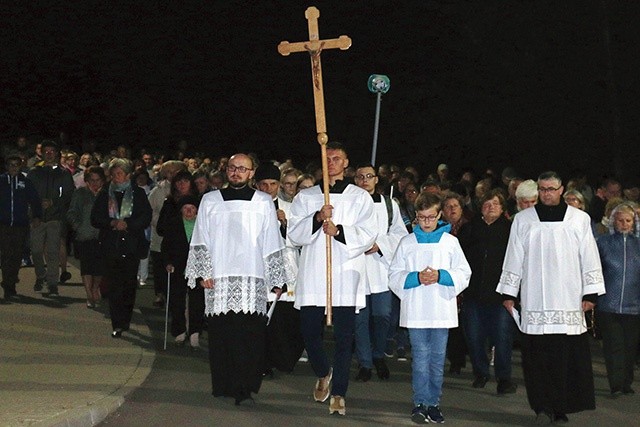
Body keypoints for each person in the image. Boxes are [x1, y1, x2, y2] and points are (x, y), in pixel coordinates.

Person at [497, 171, 605, 424]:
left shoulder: (579, 219)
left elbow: (589, 256)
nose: (546, 193)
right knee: (537, 359)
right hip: (535, 299)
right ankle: (541, 407)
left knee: (564, 359)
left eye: (551, 189)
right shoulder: (523, 220)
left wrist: (590, 293)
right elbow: (514, 256)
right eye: (542, 189)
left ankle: (561, 407)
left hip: (568, 299)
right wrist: (509, 292)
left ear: (561, 190)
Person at [184, 153, 288, 406]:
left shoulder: (263, 201)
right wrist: (203, 272)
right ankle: (223, 384)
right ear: (226, 171)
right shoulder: (210, 200)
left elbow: (272, 240)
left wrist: (276, 277)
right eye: (232, 168)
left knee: (250, 337)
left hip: (253, 277)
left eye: (242, 168)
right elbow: (201, 237)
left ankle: (245, 387)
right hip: (219, 277)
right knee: (221, 336)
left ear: (251, 173)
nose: (236, 172)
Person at [288, 142, 377, 415]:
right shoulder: (306, 197)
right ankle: (323, 371)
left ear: (346, 163)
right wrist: (316, 218)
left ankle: (339, 391)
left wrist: (339, 231)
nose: (331, 163)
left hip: (345, 274)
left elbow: (368, 233)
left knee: (343, 336)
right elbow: (294, 234)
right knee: (309, 333)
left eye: (337, 158)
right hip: (315, 273)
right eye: (327, 158)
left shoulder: (359, 197)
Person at [389, 193, 471, 424]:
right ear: (416, 216)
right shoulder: (407, 242)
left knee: (436, 359)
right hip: (416, 309)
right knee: (421, 358)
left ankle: (434, 402)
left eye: (431, 217)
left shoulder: (450, 242)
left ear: (439, 215)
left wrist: (441, 276)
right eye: (422, 217)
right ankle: (419, 403)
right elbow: (394, 274)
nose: (426, 222)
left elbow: (464, 273)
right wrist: (415, 277)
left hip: (440, 309)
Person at [353, 164, 407, 382]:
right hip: (356, 267)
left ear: (376, 179)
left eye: (369, 176)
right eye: (360, 176)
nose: (365, 180)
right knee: (360, 319)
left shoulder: (388, 204)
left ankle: (378, 354)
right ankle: (365, 362)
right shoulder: (349, 203)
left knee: (383, 315)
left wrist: (379, 245)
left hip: (380, 267)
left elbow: (400, 234)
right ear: (355, 180)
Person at [458, 189, 516, 394]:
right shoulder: (470, 229)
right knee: (474, 337)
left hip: (500, 295)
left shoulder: (511, 230)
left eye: (495, 204)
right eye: (486, 204)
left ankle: (504, 378)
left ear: (502, 208)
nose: (490, 207)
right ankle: (481, 372)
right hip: (473, 294)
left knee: (502, 338)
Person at [91, 158, 152, 338]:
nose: (116, 177)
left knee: (128, 286)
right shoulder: (105, 194)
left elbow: (145, 216)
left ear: (127, 175)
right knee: (114, 286)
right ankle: (117, 323)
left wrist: (129, 224)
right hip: (111, 245)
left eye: (119, 174)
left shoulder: (138, 194)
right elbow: (95, 218)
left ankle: (126, 318)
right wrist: (111, 222)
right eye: (113, 174)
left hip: (131, 246)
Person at [254, 162, 305, 374]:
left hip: (287, 267)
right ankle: (263, 362)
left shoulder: (290, 208)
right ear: (256, 185)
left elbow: (301, 239)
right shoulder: (250, 208)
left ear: (279, 185)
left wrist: (286, 225)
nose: (268, 188)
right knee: (263, 318)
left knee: (285, 318)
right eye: (263, 184)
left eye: (272, 184)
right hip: (260, 268)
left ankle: (283, 358)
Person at [596, 202, 640, 396]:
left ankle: (626, 382)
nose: (624, 224)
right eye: (620, 220)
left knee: (630, 347)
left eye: (628, 220)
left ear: (634, 223)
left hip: (634, 306)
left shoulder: (639, 245)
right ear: (613, 221)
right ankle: (616, 384)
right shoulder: (602, 243)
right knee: (614, 346)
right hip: (608, 305)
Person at [27, 140, 75, 296]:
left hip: (55, 218)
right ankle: (41, 276)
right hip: (37, 217)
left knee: (53, 252)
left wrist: (54, 202)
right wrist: (35, 210)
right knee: (35, 251)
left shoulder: (64, 173)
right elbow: (29, 194)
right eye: (46, 151)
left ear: (56, 153)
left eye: (52, 151)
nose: (49, 154)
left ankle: (53, 283)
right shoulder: (34, 172)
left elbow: (68, 195)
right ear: (42, 153)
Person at [161, 195, 205, 348]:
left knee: (197, 302)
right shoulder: (173, 224)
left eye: (192, 208)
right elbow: (165, 246)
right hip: (178, 266)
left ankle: (195, 332)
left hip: (198, 269)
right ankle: (179, 330)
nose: (189, 211)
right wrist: (167, 262)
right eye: (186, 208)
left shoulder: (203, 226)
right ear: (181, 210)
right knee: (177, 300)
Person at [0, 156, 42, 301]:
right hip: (4, 224)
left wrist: (37, 216)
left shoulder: (25, 182)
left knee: (17, 255)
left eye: (16, 165)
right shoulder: (1, 181)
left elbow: (35, 200)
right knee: (6, 255)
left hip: (20, 224)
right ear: (6, 166)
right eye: (11, 165)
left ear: (20, 166)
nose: (13, 168)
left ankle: (11, 280)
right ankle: (8, 284)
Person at [67, 166, 106, 308]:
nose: (95, 183)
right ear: (87, 181)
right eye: (92, 180)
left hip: (102, 236)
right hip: (84, 236)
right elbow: (71, 213)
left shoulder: (107, 194)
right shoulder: (80, 194)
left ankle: (95, 287)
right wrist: (78, 227)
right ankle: (89, 294)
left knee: (99, 268)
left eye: (98, 180)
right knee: (87, 267)